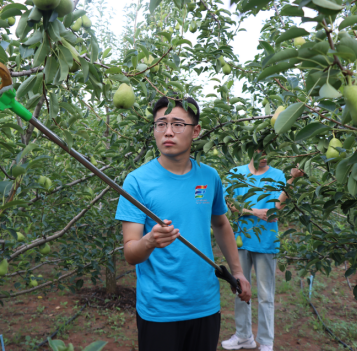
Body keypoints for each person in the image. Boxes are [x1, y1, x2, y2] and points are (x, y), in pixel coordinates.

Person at [114, 96, 252, 351]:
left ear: (196, 131)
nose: (167, 132)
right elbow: (131, 253)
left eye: (177, 124)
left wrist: (238, 271)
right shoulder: (136, 182)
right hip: (159, 309)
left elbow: (220, 224)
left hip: (205, 304)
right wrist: (149, 241)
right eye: (160, 124)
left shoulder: (209, 177)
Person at [221, 147, 304, 351]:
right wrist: (254, 212)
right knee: (241, 288)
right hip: (241, 240)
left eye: (267, 151)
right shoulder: (236, 173)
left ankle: (266, 341)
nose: (264, 155)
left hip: (267, 241)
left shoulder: (276, 175)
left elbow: (279, 207)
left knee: (266, 293)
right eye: (259, 150)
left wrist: (292, 179)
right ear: (249, 149)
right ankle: (243, 336)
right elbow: (230, 203)